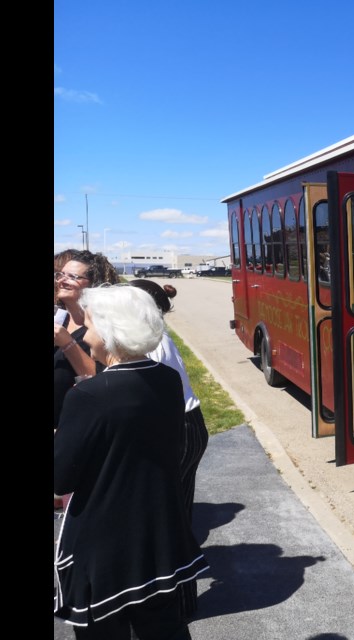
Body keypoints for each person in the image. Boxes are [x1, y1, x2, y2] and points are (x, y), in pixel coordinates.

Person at [54, 284, 209, 639]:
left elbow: (60, 479)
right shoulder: (166, 379)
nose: (85, 334)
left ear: (110, 335)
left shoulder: (89, 396)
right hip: (155, 532)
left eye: (90, 326)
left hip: (104, 542)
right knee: (164, 626)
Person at [128, 279, 209, 619]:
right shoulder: (148, 339)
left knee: (173, 520)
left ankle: (182, 604)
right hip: (178, 427)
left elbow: (152, 400)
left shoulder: (154, 342)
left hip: (179, 430)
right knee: (173, 516)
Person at [54, 250, 120, 429]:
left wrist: (68, 343)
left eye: (72, 276)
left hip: (74, 426)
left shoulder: (103, 329)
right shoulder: (60, 318)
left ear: (93, 285)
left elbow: (102, 380)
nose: (61, 280)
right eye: (60, 275)